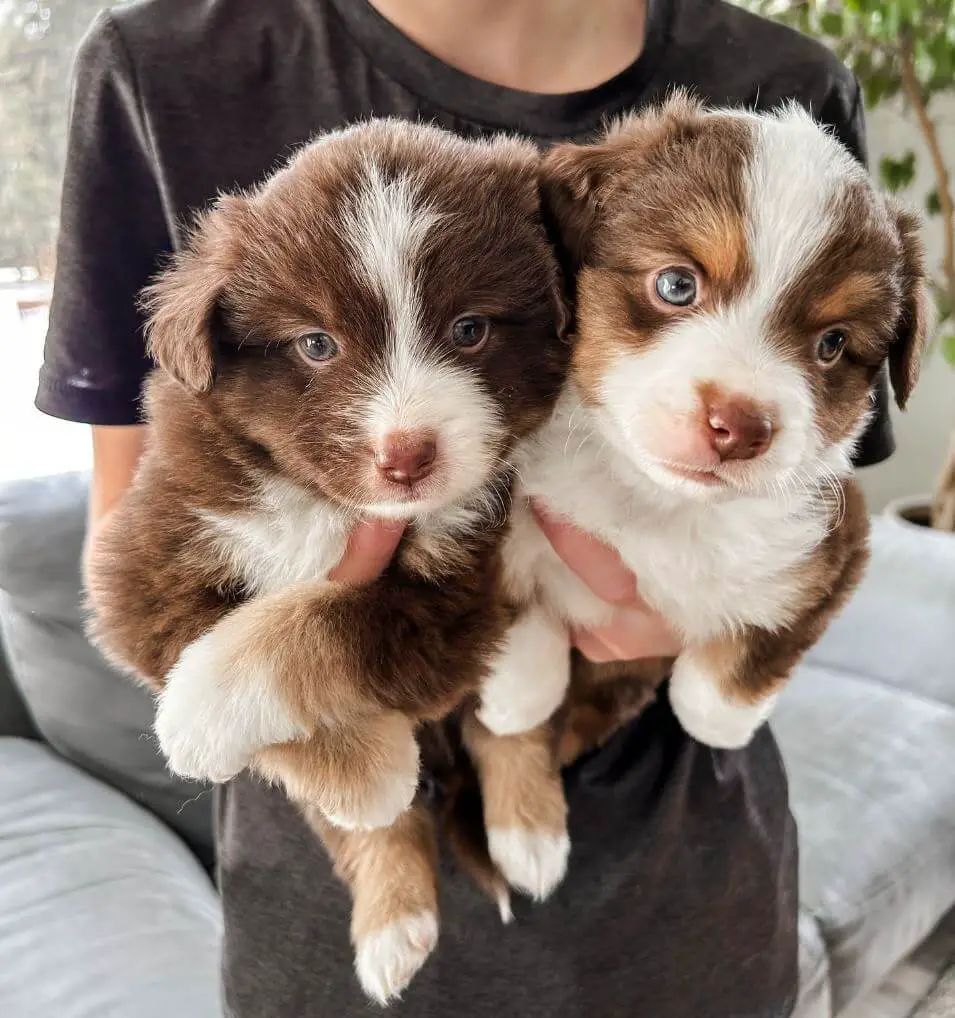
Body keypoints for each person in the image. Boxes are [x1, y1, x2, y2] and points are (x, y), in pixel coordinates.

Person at [36, 1, 893, 1015]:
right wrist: (336, 689)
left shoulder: (783, 77)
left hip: (678, 906)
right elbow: (137, 540)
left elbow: (815, 495)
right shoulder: (163, 68)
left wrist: (670, 619)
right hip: (324, 909)